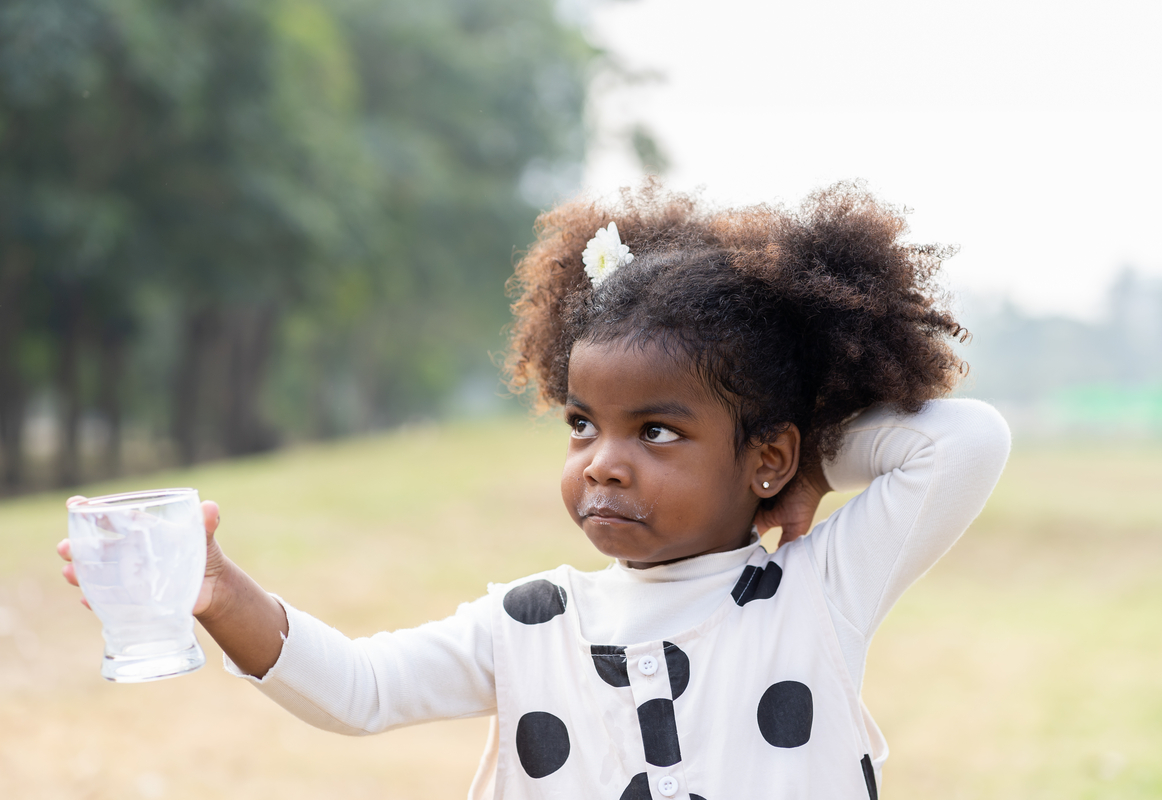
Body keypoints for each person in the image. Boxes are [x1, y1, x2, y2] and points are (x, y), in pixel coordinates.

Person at [59, 182, 1010, 799]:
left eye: (660, 431)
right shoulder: (530, 624)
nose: (602, 460)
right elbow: (361, 689)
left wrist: (808, 468)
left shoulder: (815, 593)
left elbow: (965, 441)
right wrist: (225, 596)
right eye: (584, 423)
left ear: (762, 453)